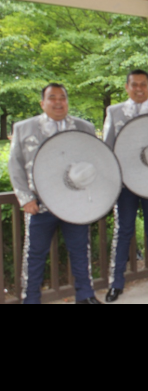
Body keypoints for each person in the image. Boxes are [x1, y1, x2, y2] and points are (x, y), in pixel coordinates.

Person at [8, 83, 102, 304]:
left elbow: (96, 163)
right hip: (38, 204)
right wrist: (25, 199)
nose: (58, 102)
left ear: (68, 101)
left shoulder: (84, 127)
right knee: (35, 254)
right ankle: (30, 299)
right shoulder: (24, 128)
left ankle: (85, 295)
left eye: (62, 97)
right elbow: (15, 166)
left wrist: (92, 198)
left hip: (75, 202)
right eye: (52, 98)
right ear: (43, 103)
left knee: (80, 250)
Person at [104, 70, 148, 302]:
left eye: (143, 84)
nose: (139, 89)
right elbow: (107, 148)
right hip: (125, 184)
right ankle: (116, 283)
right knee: (123, 231)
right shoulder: (114, 112)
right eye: (134, 84)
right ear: (127, 87)